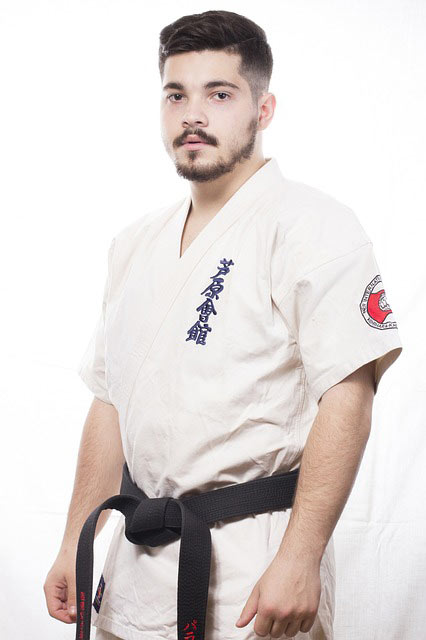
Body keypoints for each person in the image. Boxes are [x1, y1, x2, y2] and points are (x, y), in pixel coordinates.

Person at [43, 9, 403, 640]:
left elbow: (348, 396)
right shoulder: (134, 245)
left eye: (219, 94)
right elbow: (109, 402)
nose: (193, 115)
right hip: (136, 567)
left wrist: (301, 556)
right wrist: (76, 539)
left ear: (264, 109)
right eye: (176, 95)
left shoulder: (313, 227)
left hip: (252, 567)